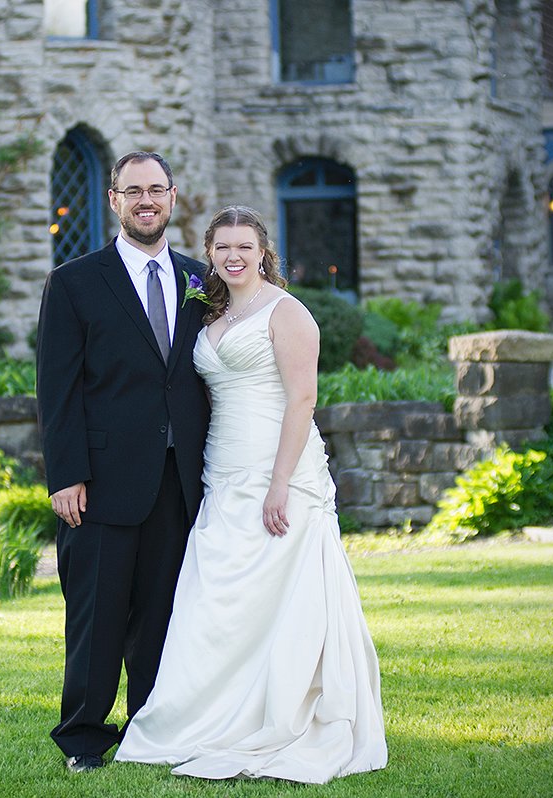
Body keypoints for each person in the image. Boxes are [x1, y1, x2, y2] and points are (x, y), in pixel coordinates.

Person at [115, 206, 388, 782]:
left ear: (264, 252)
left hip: (277, 470)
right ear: (209, 254)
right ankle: (215, 717)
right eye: (222, 248)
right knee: (219, 603)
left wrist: (280, 483)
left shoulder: (288, 314)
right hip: (222, 471)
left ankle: (285, 716)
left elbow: (302, 402)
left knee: (280, 598)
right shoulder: (209, 312)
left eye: (245, 246)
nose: (233, 256)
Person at [35, 151, 211, 774]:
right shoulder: (76, 281)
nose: (145, 200)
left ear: (172, 196)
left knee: (162, 613)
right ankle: (83, 736)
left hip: (178, 481)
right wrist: (66, 475)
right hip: (101, 480)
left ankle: (149, 728)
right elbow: (56, 389)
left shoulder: (200, 280)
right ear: (113, 200)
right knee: (97, 612)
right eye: (132, 190)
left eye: (156, 190)